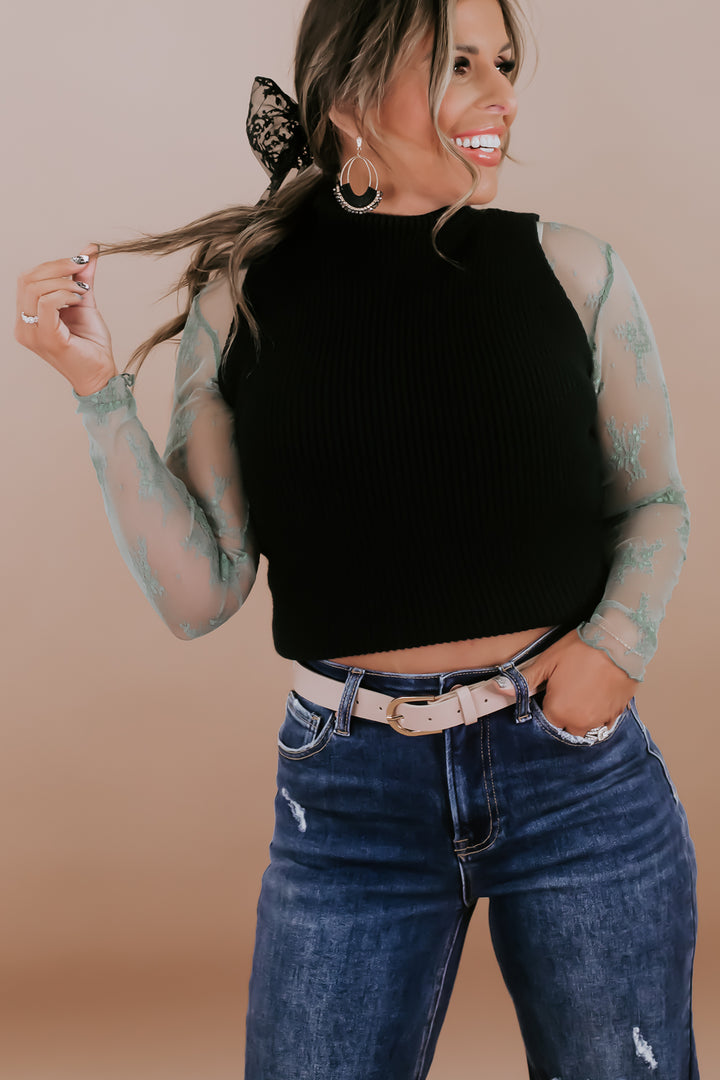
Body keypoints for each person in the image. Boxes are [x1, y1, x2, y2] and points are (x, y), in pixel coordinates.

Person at [15, 0, 698, 1075]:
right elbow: (201, 592)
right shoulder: (244, 299)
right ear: (347, 98)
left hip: (576, 781)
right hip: (347, 798)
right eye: (459, 63)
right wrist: (97, 391)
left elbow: (654, 501)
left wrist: (617, 647)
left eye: (504, 63)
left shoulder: (575, 271)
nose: (502, 95)